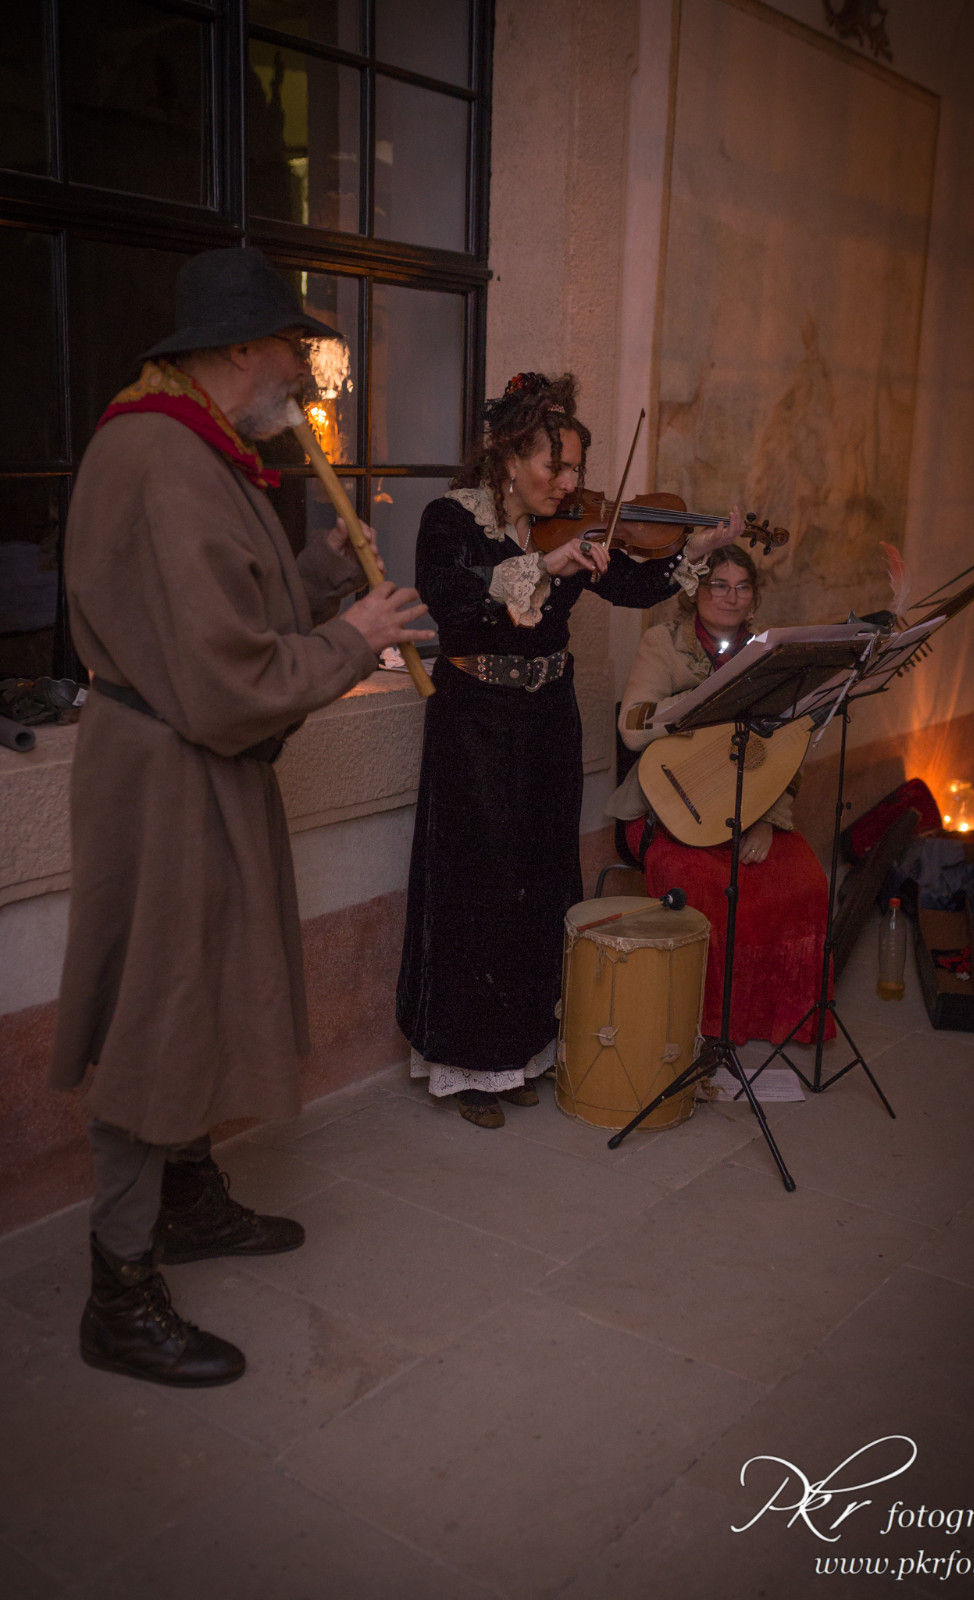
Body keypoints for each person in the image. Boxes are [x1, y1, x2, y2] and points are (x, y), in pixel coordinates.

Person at [50, 246, 432, 1386]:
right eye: (291, 348)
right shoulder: (160, 458)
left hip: (193, 770)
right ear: (238, 349)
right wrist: (354, 639)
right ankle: (119, 1293)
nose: (304, 373)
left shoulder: (198, 447)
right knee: (159, 1019)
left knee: (203, 993)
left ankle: (186, 1201)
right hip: (168, 779)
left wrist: (320, 574)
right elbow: (226, 681)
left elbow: (228, 613)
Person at [396, 371, 741, 1128]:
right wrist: (540, 567)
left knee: (542, 875)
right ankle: (470, 1063)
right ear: (509, 458)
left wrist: (697, 551)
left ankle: (520, 1052)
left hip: (548, 714)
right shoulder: (450, 520)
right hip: (475, 719)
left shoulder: (579, 529)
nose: (568, 484)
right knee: (478, 883)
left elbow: (635, 587)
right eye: (554, 467)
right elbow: (449, 597)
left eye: (576, 469)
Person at [608, 543, 834, 1048]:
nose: (731, 598)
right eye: (719, 585)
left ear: (754, 598)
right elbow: (632, 729)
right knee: (708, 887)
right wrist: (708, 697)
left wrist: (768, 819)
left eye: (742, 587)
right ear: (696, 592)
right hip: (669, 808)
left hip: (750, 807)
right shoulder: (663, 644)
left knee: (804, 882)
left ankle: (775, 1017)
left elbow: (786, 750)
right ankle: (708, 1024)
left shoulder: (773, 656)